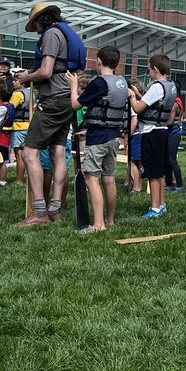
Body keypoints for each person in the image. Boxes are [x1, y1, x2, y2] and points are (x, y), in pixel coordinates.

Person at [15, 3, 84, 228]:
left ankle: (40, 212)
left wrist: (26, 78)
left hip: (53, 100)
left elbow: (45, 71)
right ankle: (55, 210)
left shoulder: (51, 34)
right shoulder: (65, 32)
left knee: (29, 153)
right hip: (66, 100)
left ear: (41, 20)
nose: (34, 27)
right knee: (58, 152)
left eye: (34, 22)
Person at [65, 46, 126, 233]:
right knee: (109, 178)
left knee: (92, 178)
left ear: (98, 61)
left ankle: (98, 224)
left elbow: (76, 105)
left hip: (98, 138)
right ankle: (110, 219)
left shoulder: (99, 82)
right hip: (113, 136)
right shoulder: (122, 81)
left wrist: (73, 85)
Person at [130, 54, 177, 219]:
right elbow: (152, 104)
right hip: (162, 130)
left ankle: (154, 207)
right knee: (160, 171)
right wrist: (139, 94)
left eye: (149, 69)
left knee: (152, 172)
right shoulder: (170, 85)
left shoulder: (156, 87)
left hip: (151, 132)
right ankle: (161, 204)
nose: (148, 72)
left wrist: (131, 96)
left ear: (155, 69)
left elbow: (137, 108)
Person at [8, 70, 32, 185]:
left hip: (18, 127)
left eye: (16, 80)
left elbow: (10, 109)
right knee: (26, 153)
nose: (13, 82)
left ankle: (19, 180)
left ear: (23, 82)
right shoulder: (31, 93)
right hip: (28, 126)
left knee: (19, 154)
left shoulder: (18, 94)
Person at [165, 93, 184, 192]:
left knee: (171, 159)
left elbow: (170, 122)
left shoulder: (175, 103)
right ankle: (168, 184)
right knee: (167, 160)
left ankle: (179, 186)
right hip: (172, 133)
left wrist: (158, 123)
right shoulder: (178, 101)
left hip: (173, 133)